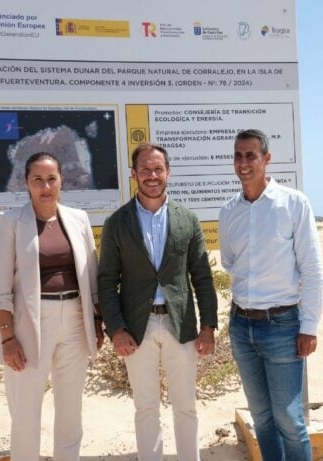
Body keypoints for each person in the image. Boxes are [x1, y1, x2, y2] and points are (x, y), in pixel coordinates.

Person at [97, 143, 218, 461]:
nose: (152, 175)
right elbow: (107, 282)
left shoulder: (188, 220)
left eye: (158, 169)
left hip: (182, 325)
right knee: (145, 407)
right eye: (145, 169)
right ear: (134, 174)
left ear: (168, 173)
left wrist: (208, 326)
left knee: (186, 406)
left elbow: (202, 277)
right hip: (138, 328)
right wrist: (116, 329)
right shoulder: (117, 223)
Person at [0, 152, 104, 461]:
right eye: (37, 179)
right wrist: (8, 339)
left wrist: (96, 321)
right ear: (26, 183)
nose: (45, 186)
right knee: (26, 414)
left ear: (61, 181)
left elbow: (91, 278)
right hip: (29, 325)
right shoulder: (10, 222)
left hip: (76, 321)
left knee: (70, 413)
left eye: (51, 178)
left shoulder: (78, 219)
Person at [218, 129, 323, 461]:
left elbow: (312, 268)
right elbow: (230, 263)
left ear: (266, 159)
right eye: (238, 155)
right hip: (241, 326)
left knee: (290, 420)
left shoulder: (293, 204)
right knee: (261, 419)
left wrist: (309, 326)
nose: (243, 163)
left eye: (250, 155)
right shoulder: (228, 211)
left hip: (283, 326)